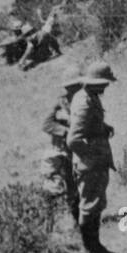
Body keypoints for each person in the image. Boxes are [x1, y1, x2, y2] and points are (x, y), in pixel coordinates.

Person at [67, 62, 120, 253]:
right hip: (90, 165)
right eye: (105, 83)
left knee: (96, 204)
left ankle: (96, 247)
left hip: (95, 162)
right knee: (89, 206)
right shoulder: (84, 101)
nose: (107, 86)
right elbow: (73, 139)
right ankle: (91, 250)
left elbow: (88, 125)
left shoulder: (89, 97)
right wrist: (91, 156)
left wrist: (102, 127)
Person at [42, 73, 84, 224]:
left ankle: (76, 222)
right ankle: (48, 222)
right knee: (52, 186)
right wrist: (66, 131)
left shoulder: (84, 101)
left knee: (75, 188)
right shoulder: (60, 103)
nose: (75, 89)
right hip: (58, 151)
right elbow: (46, 125)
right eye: (71, 87)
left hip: (75, 152)